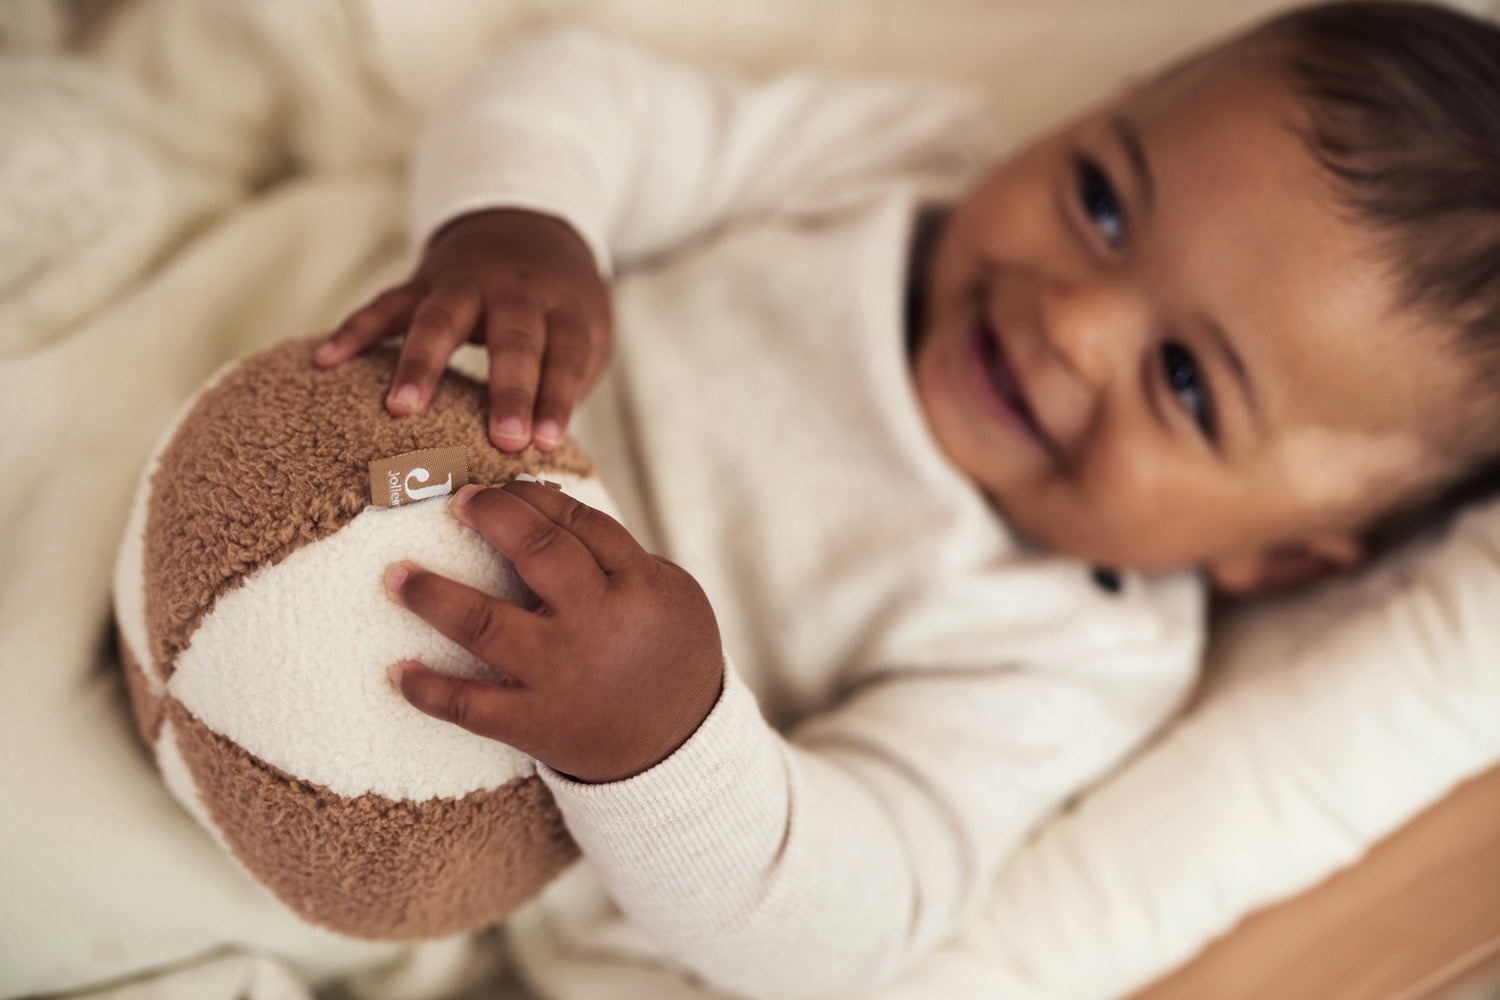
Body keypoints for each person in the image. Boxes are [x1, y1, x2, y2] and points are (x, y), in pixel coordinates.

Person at [314, 3, 1500, 997]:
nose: (1073, 322)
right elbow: (584, 100)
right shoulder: (897, 171)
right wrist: (522, 229)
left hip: (409, 788)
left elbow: (857, 917)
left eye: (1185, 381)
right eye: (1101, 200)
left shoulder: (1070, 650)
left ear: (1286, 561)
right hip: (328, 432)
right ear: (1106, 105)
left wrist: (661, 744)